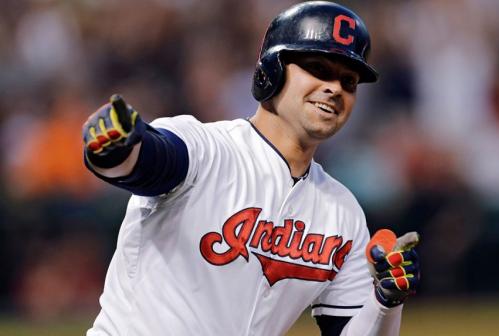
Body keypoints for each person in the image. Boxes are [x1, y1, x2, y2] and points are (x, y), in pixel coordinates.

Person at [82, 2, 420, 335]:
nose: (334, 88)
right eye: (318, 68)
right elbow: (147, 162)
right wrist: (115, 151)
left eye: (348, 81)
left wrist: (385, 301)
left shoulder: (342, 213)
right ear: (272, 71)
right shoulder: (208, 149)